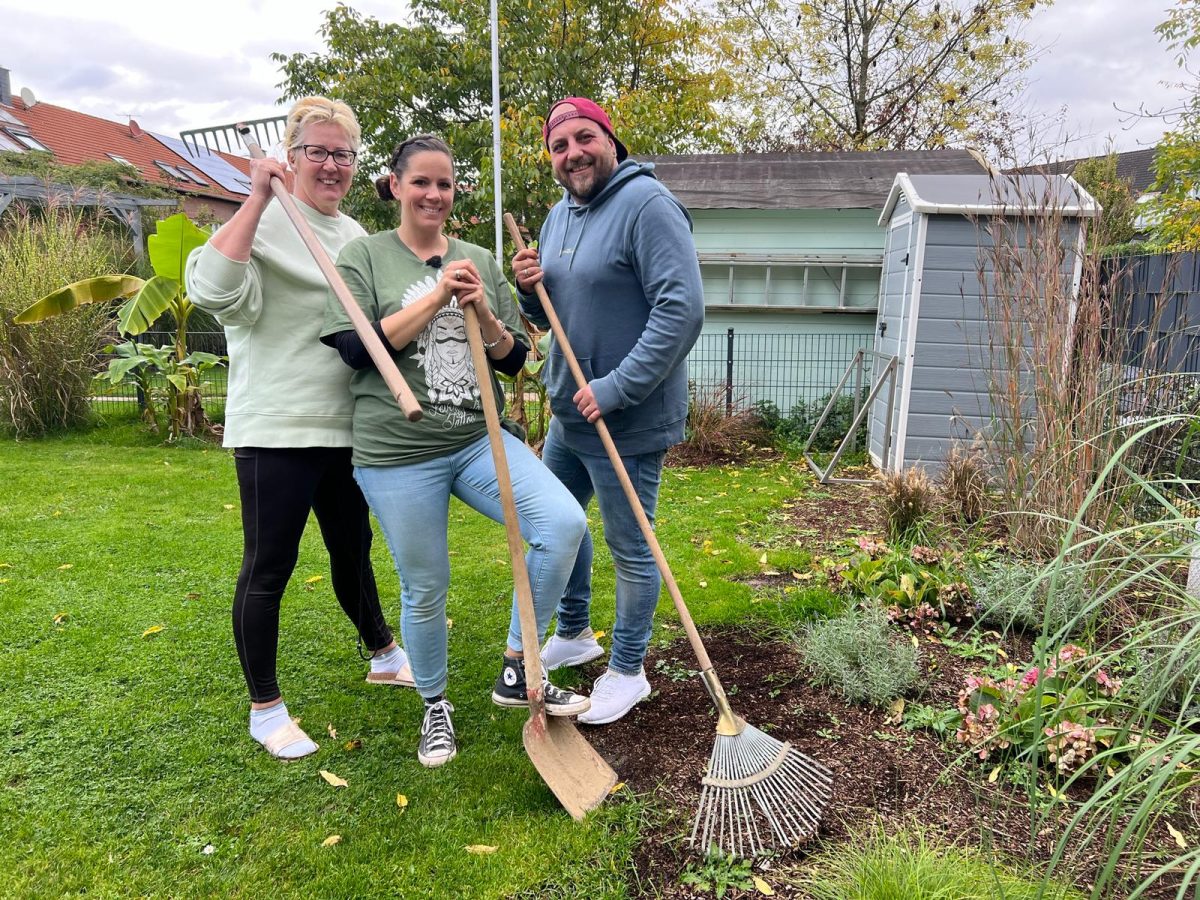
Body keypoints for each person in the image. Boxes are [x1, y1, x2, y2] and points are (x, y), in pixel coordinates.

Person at [320, 135, 591, 768]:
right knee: (426, 586)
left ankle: (517, 666)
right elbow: (359, 350)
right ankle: (435, 707)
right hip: (396, 453)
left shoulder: (477, 259)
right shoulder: (363, 257)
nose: (434, 195)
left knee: (562, 524)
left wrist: (486, 314)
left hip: (477, 440)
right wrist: (437, 295)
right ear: (394, 185)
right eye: (421, 182)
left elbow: (514, 360)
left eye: (444, 185)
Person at [185, 96, 412, 762]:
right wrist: (254, 200)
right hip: (277, 426)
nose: (333, 165)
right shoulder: (264, 223)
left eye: (344, 153)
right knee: (269, 566)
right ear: (291, 155)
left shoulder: (350, 238)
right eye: (318, 151)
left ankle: (382, 652)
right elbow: (213, 290)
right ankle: (265, 708)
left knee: (352, 547)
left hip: (343, 426)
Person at [512, 97, 705, 725]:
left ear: (610, 140)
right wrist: (527, 288)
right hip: (570, 411)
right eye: (559, 146)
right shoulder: (558, 216)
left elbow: (681, 311)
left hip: (627, 417)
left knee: (632, 547)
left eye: (584, 138)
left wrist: (617, 387)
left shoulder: (648, 207)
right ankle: (574, 630)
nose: (573, 154)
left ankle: (627, 669)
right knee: (558, 521)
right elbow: (551, 317)